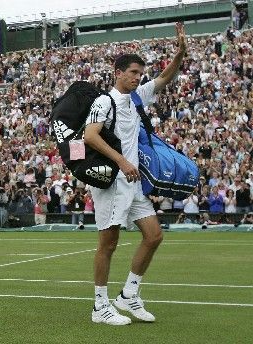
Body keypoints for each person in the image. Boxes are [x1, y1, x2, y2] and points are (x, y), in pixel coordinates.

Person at [84, 23, 186, 326]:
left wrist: (179, 55)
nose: (137, 77)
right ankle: (99, 305)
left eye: (140, 74)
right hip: (111, 181)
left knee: (154, 236)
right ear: (118, 72)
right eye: (132, 72)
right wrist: (122, 161)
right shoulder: (104, 101)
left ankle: (129, 295)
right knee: (109, 243)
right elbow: (90, 136)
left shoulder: (138, 97)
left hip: (132, 182)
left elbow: (165, 78)